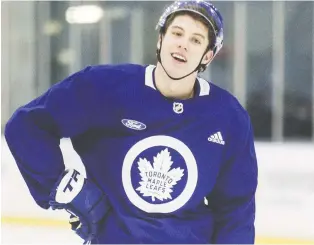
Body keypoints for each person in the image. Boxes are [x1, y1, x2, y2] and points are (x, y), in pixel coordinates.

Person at [5, 0, 258, 244]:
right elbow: (28, 126)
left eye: (196, 40)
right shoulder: (105, 87)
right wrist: (68, 188)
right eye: (177, 33)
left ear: (207, 56)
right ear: (161, 39)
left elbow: (235, 210)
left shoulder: (228, 117)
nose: (183, 45)